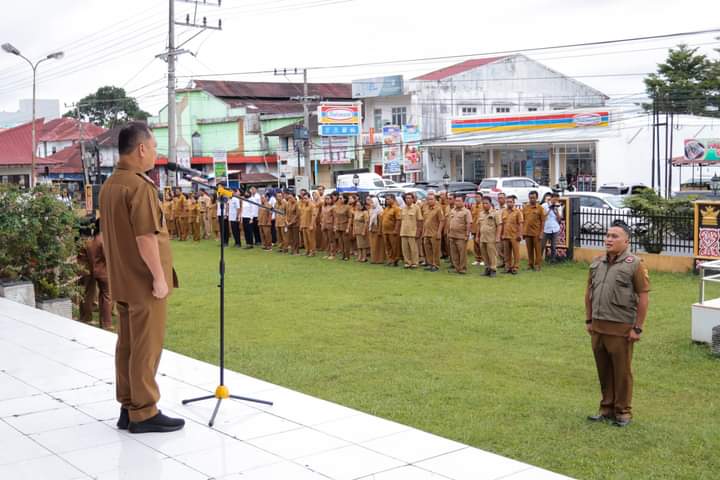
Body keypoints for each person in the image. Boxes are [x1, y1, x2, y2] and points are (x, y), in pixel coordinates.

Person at [99, 122, 184, 434]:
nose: (156, 153)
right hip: (143, 282)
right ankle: (144, 411)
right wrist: (160, 278)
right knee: (146, 347)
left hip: (121, 279)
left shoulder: (111, 185)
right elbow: (145, 238)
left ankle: (128, 405)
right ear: (142, 149)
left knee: (128, 346)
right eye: (155, 147)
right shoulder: (139, 186)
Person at [585, 221, 650, 427]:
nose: (608, 239)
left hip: (621, 327)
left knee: (621, 371)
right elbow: (589, 293)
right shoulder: (597, 262)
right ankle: (606, 408)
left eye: (614, 236)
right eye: (607, 235)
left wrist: (637, 327)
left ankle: (623, 411)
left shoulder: (634, 264)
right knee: (603, 370)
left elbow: (643, 297)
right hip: (598, 326)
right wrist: (589, 319)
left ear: (626, 241)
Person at [79, 218, 113, 329]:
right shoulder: (102, 239)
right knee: (107, 297)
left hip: (95, 270)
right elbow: (107, 256)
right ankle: (106, 323)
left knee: (98, 296)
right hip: (104, 271)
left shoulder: (93, 239)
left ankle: (101, 321)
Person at [476, 197, 502, 278]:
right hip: (483, 237)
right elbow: (479, 225)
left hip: (491, 238)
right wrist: (477, 236)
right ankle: (487, 269)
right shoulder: (481, 213)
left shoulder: (495, 213)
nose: (484, 205)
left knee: (492, 254)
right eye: (483, 203)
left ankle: (493, 270)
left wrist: (498, 237)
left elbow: (499, 226)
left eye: (486, 203)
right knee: (484, 254)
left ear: (490, 204)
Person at [447, 196, 472, 274]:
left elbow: (469, 223)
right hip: (452, 235)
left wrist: (467, 234)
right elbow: (449, 222)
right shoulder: (452, 211)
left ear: (463, 202)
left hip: (461, 236)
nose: (457, 202)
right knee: (454, 253)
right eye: (456, 201)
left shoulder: (466, 212)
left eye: (459, 201)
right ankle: (456, 267)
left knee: (462, 253)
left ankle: (462, 268)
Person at [522, 190, 546, 271]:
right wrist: (523, 232)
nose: (532, 199)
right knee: (529, 250)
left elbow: (543, 221)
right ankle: (530, 264)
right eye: (531, 198)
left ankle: (537, 265)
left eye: (534, 198)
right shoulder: (525, 208)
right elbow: (523, 220)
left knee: (538, 250)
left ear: (537, 198)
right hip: (527, 232)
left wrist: (541, 233)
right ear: (529, 198)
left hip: (536, 233)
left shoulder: (540, 208)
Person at [421, 192, 444, 272]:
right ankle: (430, 264)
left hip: (434, 233)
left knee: (435, 250)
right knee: (428, 249)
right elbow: (424, 221)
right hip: (426, 232)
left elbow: (442, 221)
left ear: (435, 200)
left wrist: (439, 232)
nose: (429, 201)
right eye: (428, 199)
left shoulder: (438, 209)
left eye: (431, 199)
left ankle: (436, 265)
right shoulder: (425, 209)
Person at [501, 195, 524, 275]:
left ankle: (515, 267)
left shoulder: (518, 212)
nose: (509, 203)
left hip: (515, 236)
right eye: (507, 202)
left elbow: (521, 224)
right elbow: (502, 224)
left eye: (510, 202)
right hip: (506, 235)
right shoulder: (504, 211)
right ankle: (507, 267)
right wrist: (502, 234)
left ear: (514, 203)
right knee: (507, 253)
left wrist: (520, 235)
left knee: (516, 252)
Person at [400, 192, 423, 269]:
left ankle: (415, 263)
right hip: (403, 231)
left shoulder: (416, 208)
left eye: (410, 198)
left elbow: (420, 220)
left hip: (413, 232)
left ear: (413, 199)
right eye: (406, 198)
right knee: (405, 249)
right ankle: (407, 262)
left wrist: (418, 232)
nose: (408, 200)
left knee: (413, 249)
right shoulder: (403, 208)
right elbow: (401, 220)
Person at [543, 193, 564, 263]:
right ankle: (539, 259)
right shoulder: (544, 205)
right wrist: (549, 209)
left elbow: (559, 219)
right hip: (545, 228)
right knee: (542, 245)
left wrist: (556, 210)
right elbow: (543, 216)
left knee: (553, 246)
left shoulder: (558, 206)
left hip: (555, 228)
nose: (555, 201)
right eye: (554, 199)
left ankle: (553, 260)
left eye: (557, 200)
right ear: (551, 198)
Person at [382, 195, 402, 266]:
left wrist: (396, 230)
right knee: (387, 246)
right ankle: (390, 259)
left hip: (392, 231)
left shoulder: (396, 209)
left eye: (388, 199)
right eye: (386, 199)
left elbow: (398, 220)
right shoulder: (386, 209)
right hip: (385, 231)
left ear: (393, 199)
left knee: (394, 246)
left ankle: (395, 260)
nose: (387, 201)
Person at [333, 195, 352, 261]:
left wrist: (348, 227)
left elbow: (350, 217)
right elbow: (335, 217)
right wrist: (335, 226)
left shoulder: (347, 207)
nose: (339, 199)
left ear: (345, 199)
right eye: (339, 198)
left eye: (341, 198)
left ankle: (347, 255)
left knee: (345, 241)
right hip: (338, 226)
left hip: (345, 225)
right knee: (340, 241)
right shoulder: (336, 207)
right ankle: (343, 255)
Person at [368, 196, 385, 264]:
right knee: (373, 245)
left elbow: (380, 222)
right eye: (371, 202)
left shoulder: (380, 210)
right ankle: (374, 259)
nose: (371, 204)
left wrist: (379, 231)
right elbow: (370, 220)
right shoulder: (371, 210)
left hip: (377, 229)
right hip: (372, 229)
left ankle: (379, 259)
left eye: (372, 202)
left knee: (378, 245)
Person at [321, 195, 335, 259]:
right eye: (326, 198)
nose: (327, 200)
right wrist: (321, 223)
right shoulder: (323, 207)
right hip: (324, 224)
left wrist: (334, 225)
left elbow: (335, 217)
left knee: (331, 239)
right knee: (325, 239)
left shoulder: (333, 207)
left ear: (331, 199)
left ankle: (332, 254)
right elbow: (321, 216)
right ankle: (327, 253)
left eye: (328, 198)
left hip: (330, 224)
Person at [496, 192, 507, 269]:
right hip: (497, 230)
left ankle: (507, 263)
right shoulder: (496, 208)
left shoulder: (507, 208)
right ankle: (501, 262)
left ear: (505, 199)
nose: (500, 199)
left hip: (506, 230)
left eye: (501, 198)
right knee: (498, 247)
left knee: (506, 248)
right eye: (499, 198)